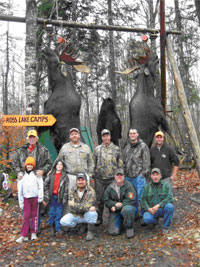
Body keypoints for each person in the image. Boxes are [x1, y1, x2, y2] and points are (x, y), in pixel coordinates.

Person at [93, 129, 123, 224]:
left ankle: (113, 218)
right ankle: (99, 218)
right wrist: (94, 175)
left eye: (107, 135)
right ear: (102, 137)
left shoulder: (116, 149)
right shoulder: (97, 149)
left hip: (112, 179)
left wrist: (120, 178)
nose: (106, 138)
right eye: (104, 136)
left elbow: (120, 164)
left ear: (110, 136)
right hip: (100, 179)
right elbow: (93, 163)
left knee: (113, 199)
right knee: (99, 199)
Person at [60, 172, 98, 241]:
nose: (81, 182)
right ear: (76, 181)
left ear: (86, 181)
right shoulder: (72, 190)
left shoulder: (91, 191)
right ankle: (78, 226)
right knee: (63, 221)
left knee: (93, 213)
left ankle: (90, 231)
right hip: (76, 214)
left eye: (82, 180)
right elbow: (71, 206)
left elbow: (86, 206)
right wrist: (83, 206)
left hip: (86, 214)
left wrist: (74, 204)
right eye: (79, 180)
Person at [123, 128, 150, 216]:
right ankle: (134, 214)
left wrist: (142, 174)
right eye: (130, 133)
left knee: (141, 197)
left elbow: (146, 162)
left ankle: (143, 215)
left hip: (138, 176)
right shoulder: (127, 146)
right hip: (128, 177)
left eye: (134, 133)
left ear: (137, 134)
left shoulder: (143, 146)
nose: (132, 135)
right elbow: (124, 160)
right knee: (131, 197)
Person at [16, 157, 43, 243]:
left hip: (34, 197)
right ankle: (23, 235)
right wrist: (20, 201)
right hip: (26, 198)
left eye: (31, 165)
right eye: (28, 164)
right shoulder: (22, 176)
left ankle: (33, 233)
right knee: (26, 216)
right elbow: (20, 189)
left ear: (33, 166)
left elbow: (40, 186)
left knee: (34, 215)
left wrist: (40, 197)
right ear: (25, 165)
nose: (29, 166)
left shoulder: (36, 175)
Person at [104, 168, 137, 238]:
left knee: (128, 210)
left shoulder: (129, 185)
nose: (119, 177)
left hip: (127, 207)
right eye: (117, 175)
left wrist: (120, 205)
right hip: (116, 210)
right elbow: (106, 200)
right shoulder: (110, 187)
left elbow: (131, 199)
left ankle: (129, 228)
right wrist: (113, 205)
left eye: (121, 175)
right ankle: (121, 223)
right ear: (114, 176)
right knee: (113, 232)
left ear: (124, 176)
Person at [141, 168, 174, 234]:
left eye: (157, 175)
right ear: (151, 176)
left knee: (170, 206)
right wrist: (148, 209)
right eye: (153, 175)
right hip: (152, 210)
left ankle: (165, 227)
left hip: (162, 209)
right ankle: (155, 221)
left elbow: (170, 197)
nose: (155, 177)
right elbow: (143, 200)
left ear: (160, 176)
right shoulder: (147, 187)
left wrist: (159, 205)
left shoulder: (166, 185)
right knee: (146, 219)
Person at [43, 159, 69, 237]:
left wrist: (64, 197)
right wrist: (47, 195)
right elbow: (45, 185)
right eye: (58, 164)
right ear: (55, 166)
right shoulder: (51, 175)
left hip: (59, 197)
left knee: (59, 213)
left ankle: (58, 228)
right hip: (52, 197)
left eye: (61, 165)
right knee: (51, 212)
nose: (59, 166)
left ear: (63, 166)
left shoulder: (64, 176)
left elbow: (66, 188)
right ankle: (52, 227)